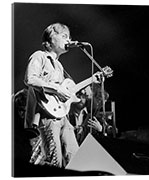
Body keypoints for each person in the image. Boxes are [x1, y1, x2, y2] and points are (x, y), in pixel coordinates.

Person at [24, 23, 101, 168]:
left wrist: (92, 79)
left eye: (69, 37)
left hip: (63, 117)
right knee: (55, 162)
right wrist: (56, 88)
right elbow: (30, 79)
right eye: (64, 36)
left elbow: (69, 91)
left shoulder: (59, 66)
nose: (69, 40)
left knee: (76, 160)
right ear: (50, 42)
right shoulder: (39, 56)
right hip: (47, 117)